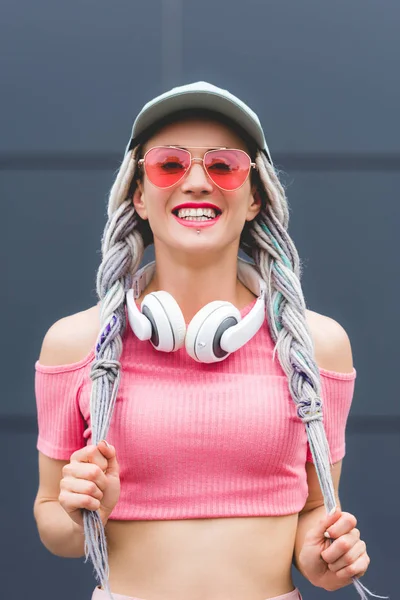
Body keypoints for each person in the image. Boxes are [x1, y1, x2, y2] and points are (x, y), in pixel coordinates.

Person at [33, 82, 376, 600]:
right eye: (169, 164)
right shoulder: (74, 342)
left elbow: (312, 510)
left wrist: (318, 554)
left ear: (256, 196)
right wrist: (83, 512)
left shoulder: (317, 345)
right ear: (140, 196)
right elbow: (52, 525)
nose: (196, 182)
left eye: (223, 166)